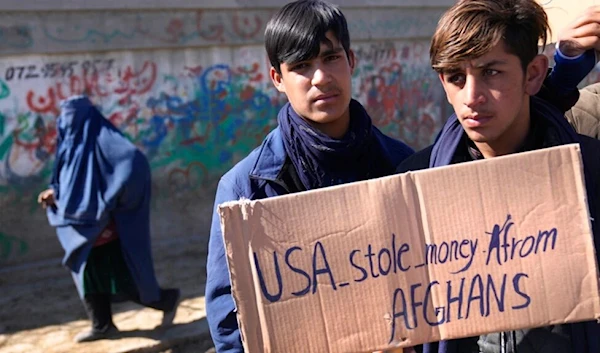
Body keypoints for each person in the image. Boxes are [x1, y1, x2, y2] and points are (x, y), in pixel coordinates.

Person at [396, 1, 600, 353]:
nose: (471, 98)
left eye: (491, 72)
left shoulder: (591, 172)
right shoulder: (412, 185)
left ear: (534, 74)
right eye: (456, 77)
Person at [38, 95, 180, 343]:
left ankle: (166, 300)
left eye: (71, 117)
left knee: (125, 280)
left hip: (105, 231)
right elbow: (67, 182)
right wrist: (55, 195)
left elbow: (132, 165)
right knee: (87, 277)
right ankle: (102, 325)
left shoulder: (105, 142)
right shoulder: (69, 145)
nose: (66, 122)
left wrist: (107, 203)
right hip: (80, 230)